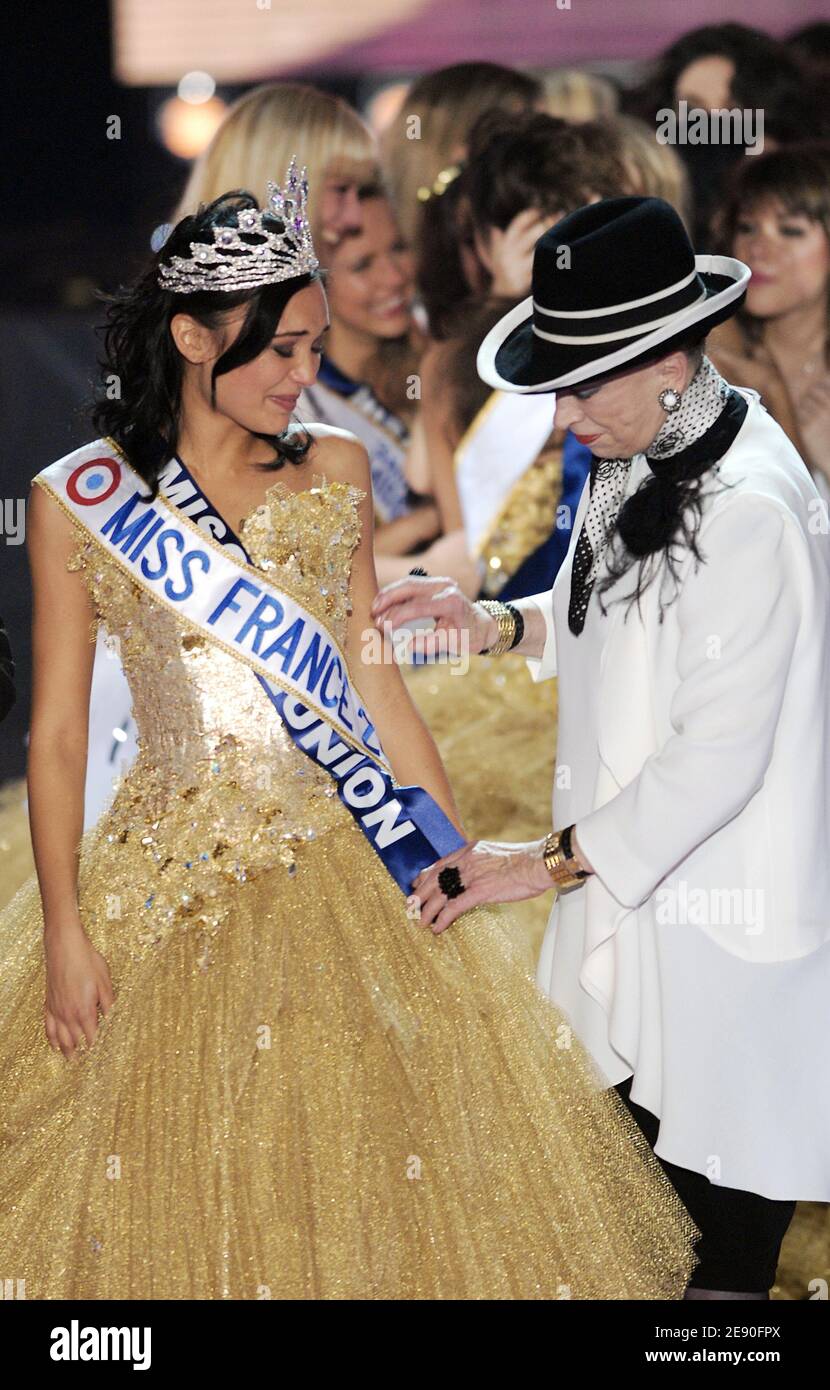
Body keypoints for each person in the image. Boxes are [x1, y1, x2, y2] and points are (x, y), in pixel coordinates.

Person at [0, 172, 698, 1299]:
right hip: (162, 879)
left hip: (344, 847)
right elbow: (58, 738)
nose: (302, 376)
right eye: (278, 351)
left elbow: (369, 672)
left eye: (314, 348)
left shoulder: (331, 469)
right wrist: (69, 932)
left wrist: (446, 840)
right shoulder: (79, 496)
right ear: (191, 338)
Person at [373, 195, 830, 1299]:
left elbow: (713, 759)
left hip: (723, 956)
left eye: (582, 382)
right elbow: (615, 613)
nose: (564, 413)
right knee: (644, 1265)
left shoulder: (749, 506)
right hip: (643, 922)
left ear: (669, 358)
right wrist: (492, 620)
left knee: (712, 1288)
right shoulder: (651, 439)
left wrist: (537, 862)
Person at [708, 144, 830, 505]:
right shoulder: (715, 354)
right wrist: (769, 391)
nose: (758, 248)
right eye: (747, 227)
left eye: (790, 231)